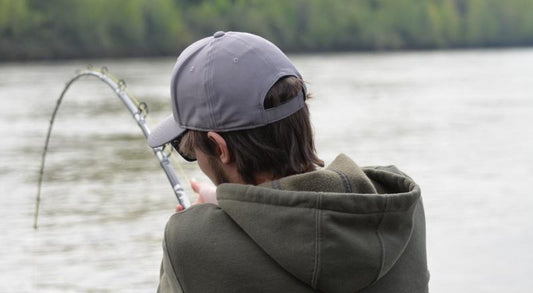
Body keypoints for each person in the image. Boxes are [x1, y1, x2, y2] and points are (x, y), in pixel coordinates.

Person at [148, 31, 429, 293]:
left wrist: (215, 215)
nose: (196, 160)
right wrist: (235, 205)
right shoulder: (399, 203)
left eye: (190, 152)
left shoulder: (190, 242)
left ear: (221, 148)